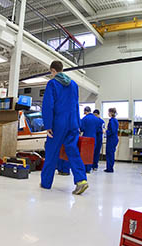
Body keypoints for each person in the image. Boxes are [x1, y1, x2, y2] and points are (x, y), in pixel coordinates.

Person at [40, 60, 89, 195]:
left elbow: (48, 105)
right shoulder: (73, 84)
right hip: (73, 122)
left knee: (51, 152)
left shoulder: (52, 83)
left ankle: (46, 183)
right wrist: (78, 124)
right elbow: (75, 104)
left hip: (58, 123)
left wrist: (48, 125)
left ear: (53, 71)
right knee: (72, 150)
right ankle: (81, 181)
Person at [80, 106, 98, 173]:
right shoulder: (96, 119)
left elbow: (82, 129)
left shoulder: (84, 119)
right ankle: (89, 168)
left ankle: (85, 168)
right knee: (91, 153)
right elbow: (99, 129)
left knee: (85, 154)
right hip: (93, 138)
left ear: (85, 111)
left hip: (86, 138)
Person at [105, 107, 119, 173]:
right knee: (110, 153)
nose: (108, 113)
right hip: (113, 139)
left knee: (110, 153)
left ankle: (110, 168)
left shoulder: (112, 121)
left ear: (111, 113)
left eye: (109, 112)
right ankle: (109, 167)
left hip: (111, 139)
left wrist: (105, 132)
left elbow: (112, 131)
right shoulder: (115, 120)